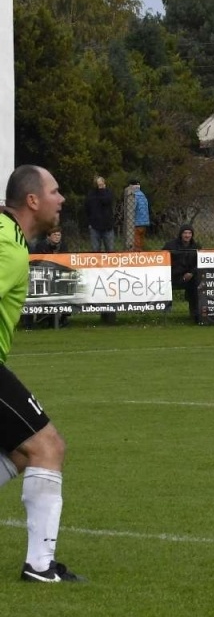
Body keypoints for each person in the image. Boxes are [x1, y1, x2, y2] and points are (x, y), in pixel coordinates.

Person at [1, 165, 84, 582]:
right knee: (47, 447)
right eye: (55, 190)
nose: (62, 198)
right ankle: (39, 566)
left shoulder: (7, 236)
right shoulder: (6, 246)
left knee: (19, 453)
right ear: (32, 201)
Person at [166, 224, 202, 324]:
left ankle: (196, 315)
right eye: (185, 233)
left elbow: (200, 263)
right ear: (181, 234)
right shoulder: (170, 245)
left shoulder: (196, 247)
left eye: (189, 233)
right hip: (173, 276)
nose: (187, 235)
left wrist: (191, 273)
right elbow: (162, 259)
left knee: (197, 283)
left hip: (190, 277)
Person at [86, 176, 116, 252]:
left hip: (107, 227)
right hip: (94, 227)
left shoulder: (108, 192)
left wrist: (102, 190)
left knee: (110, 250)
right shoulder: (91, 194)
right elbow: (87, 209)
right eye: (98, 184)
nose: (100, 185)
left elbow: (106, 201)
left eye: (102, 183)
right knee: (95, 251)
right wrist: (89, 223)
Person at [128, 179, 151, 251]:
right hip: (145, 222)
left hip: (137, 222)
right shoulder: (143, 195)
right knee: (141, 241)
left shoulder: (134, 196)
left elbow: (132, 208)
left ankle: (137, 258)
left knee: (136, 244)